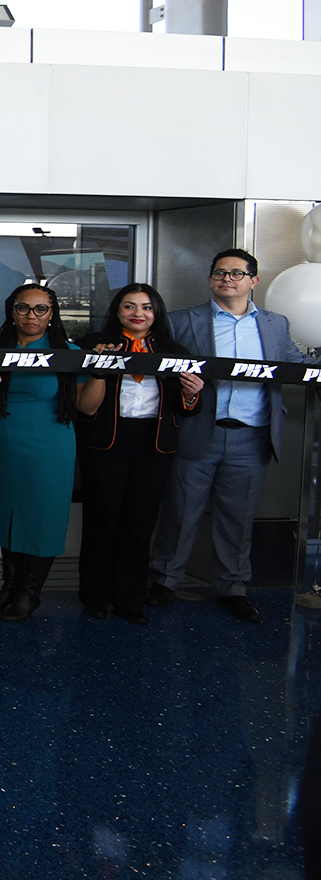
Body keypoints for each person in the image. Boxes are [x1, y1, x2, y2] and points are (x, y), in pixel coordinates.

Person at [149, 248, 306, 623]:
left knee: (238, 518)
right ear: (209, 279)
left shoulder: (275, 324)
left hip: (251, 436)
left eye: (237, 273)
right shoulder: (182, 320)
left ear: (253, 281)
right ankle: (164, 581)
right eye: (220, 273)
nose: (227, 279)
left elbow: (296, 365)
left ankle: (233, 588)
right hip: (197, 430)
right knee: (180, 512)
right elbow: (159, 367)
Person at [72, 283, 203, 624]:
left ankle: (130, 599)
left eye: (146, 307)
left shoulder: (174, 350)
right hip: (105, 442)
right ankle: (95, 597)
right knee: (102, 520)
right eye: (129, 306)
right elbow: (80, 401)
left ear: (156, 312)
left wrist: (192, 394)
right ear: (117, 311)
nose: (138, 313)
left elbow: (187, 408)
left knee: (140, 523)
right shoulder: (94, 344)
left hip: (154, 445)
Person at [0, 284, 84, 623]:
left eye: (40, 309)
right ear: (12, 311)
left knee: (42, 517)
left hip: (50, 448)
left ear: (52, 313)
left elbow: (87, 406)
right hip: (2, 446)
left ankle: (30, 593)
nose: (31, 315)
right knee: (6, 514)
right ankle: (10, 587)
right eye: (23, 308)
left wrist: (100, 374)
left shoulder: (69, 351)